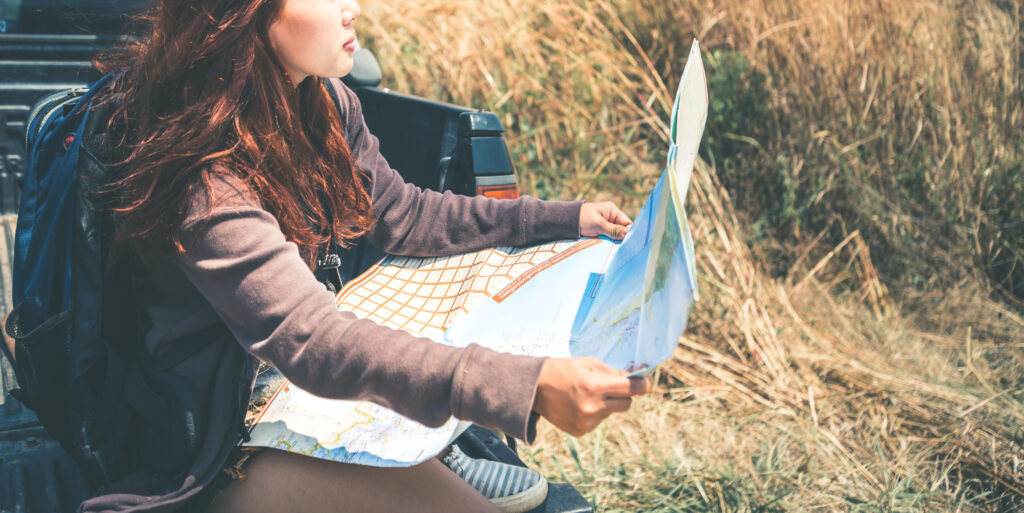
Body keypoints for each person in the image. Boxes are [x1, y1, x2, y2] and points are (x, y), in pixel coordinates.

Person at [60, 0, 651, 511]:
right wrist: (520, 384)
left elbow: (407, 215)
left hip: (290, 399)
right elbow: (311, 339)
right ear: (249, 14)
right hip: (219, 448)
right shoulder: (205, 178)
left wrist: (559, 219)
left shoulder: (320, 102)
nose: (354, 8)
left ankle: (419, 450)